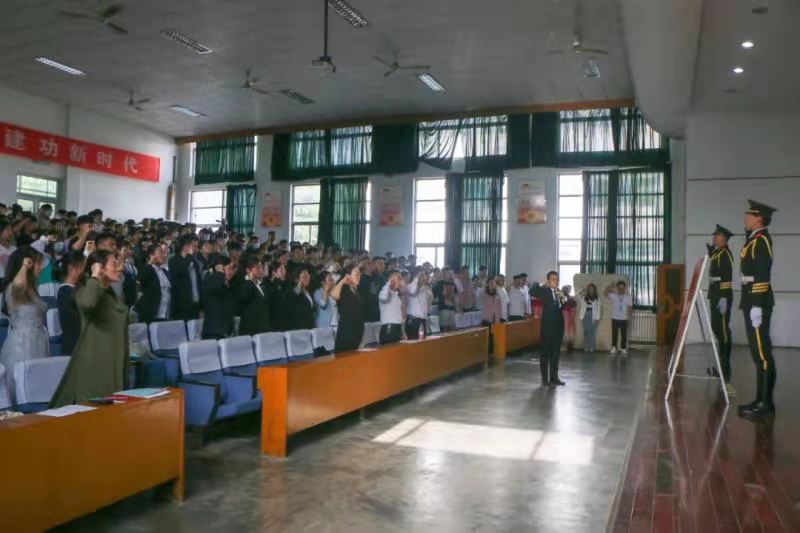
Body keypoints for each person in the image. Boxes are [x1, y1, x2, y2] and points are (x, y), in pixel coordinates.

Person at [51, 250, 129, 406]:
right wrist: (94, 276)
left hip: (113, 357)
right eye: (114, 263)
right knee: (98, 411)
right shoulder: (86, 288)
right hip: (98, 361)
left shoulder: (107, 291)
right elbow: (88, 304)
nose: (119, 267)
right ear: (100, 267)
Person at [738, 200, 777, 419]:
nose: (746, 218)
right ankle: (760, 399)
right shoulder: (754, 239)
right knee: (758, 353)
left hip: (757, 301)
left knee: (762, 354)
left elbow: (762, 274)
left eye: (750, 215)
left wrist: (756, 306)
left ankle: (765, 403)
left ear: (759, 219)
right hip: (752, 299)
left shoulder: (761, 241)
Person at [0, 248, 48, 403]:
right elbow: (19, 283)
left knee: (38, 386)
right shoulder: (14, 288)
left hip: (38, 340)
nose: (41, 268)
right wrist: (25, 265)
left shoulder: (32, 289)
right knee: (23, 387)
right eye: (38, 264)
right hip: (23, 344)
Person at [707, 224, 735, 391]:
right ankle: (720, 368)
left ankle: (726, 372)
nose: (713, 237)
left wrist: (724, 296)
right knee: (717, 329)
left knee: (724, 333)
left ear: (723, 238)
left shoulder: (725, 254)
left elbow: (726, 276)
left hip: (721, 295)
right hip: (715, 294)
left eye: (716, 236)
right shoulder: (718, 253)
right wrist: (711, 253)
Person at [531, 271, 566, 386]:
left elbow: (569, 304)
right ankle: (544, 379)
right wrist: (543, 284)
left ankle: (554, 377)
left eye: (557, 279)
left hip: (558, 326)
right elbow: (532, 291)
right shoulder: (544, 291)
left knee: (556, 353)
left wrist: (565, 298)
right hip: (547, 326)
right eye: (553, 279)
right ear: (548, 281)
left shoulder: (560, 292)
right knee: (545, 352)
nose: (556, 281)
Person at [57, 251, 85, 356]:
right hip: (74, 348)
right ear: (73, 268)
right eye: (83, 267)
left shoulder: (75, 290)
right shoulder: (66, 292)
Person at [201, 255, 237, 340]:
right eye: (229, 268)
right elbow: (215, 287)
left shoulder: (226, 284)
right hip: (213, 333)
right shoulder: (210, 279)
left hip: (226, 332)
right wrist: (220, 271)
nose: (231, 271)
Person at [236, 253, 272, 336]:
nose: (260, 269)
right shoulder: (243, 283)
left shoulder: (261, 283)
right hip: (251, 329)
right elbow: (243, 298)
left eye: (261, 267)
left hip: (263, 327)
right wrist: (250, 280)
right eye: (257, 267)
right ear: (248, 270)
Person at [331, 265, 365, 352]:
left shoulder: (357, 291)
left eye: (360, 274)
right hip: (346, 330)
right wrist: (343, 281)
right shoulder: (343, 288)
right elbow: (334, 295)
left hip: (357, 329)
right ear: (348, 275)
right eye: (356, 274)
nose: (359, 276)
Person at [134, 244, 171, 324]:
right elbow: (140, 279)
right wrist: (150, 262)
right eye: (161, 252)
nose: (164, 255)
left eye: (164, 253)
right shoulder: (147, 269)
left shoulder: (165, 271)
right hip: (151, 314)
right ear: (151, 255)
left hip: (166, 313)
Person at [168, 234, 201, 321]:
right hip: (181, 305)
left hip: (195, 304)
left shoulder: (195, 263)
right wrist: (188, 257)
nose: (196, 250)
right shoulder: (173, 261)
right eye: (194, 246)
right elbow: (178, 274)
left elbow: (198, 284)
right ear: (186, 246)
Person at [378, 271, 405, 345]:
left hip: (397, 328)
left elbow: (399, 316)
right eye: (398, 278)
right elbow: (384, 297)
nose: (400, 281)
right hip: (389, 328)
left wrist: (402, 332)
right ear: (390, 280)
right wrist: (389, 284)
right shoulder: (383, 292)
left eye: (400, 278)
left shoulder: (396, 296)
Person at [606, 281, 633, 355]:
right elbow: (605, 293)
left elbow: (630, 308)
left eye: (622, 287)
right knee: (614, 334)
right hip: (615, 318)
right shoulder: (613, 295)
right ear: (617, 288)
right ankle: (614, 347)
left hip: (624, 319)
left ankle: (623, 348)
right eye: (619, 287)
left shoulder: (628, 297)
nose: (621, 289)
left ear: (625, 288)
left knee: (624, 334)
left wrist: (629, 319)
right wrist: (610, 286)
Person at [404, 270, 432, 340]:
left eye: (425, 276)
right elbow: (412, 291)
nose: (424, 277)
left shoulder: (423, 289)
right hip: (413, 320)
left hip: (422, 320)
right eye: (422, 276)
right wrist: (416, 279)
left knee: (422, 342)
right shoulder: (409, 286)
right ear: (415, 277)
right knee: (413, 341)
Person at [433, 267, 458, 331]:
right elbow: (435, 298)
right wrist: (443, 294)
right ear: (443, 273)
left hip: (452, 308)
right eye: (447, 273)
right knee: (444, 328)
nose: (449, 275)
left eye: (450, 273)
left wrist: (457, 307)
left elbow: (455, 297)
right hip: (443, 308)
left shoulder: (453, 284)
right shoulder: (439, 284)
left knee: (453, 327)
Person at [578, 283, 601, 352]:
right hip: (585, 315)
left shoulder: (597, 298)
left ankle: (592, 347)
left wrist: (597, 318)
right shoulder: (584, 297)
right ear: (588, 289)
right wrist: (581, 290)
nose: (591, 290)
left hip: (593, 315)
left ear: (594, 290)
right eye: (590, 289)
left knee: (592, 332)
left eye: (592, 289)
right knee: (586, 332)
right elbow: (577, 295)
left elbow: (599, 309)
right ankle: (586, 346)